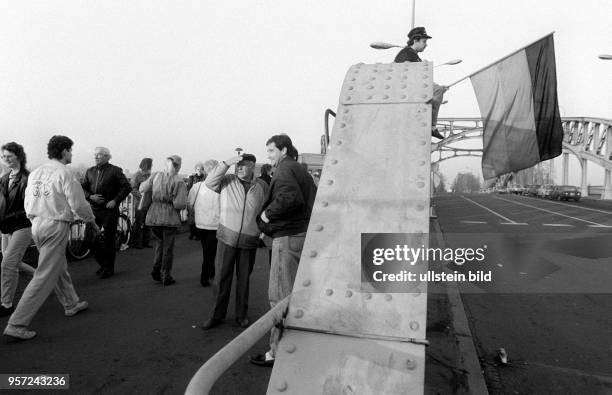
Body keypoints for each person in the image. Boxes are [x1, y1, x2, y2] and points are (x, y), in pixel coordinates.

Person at [3, 135, 99, 340]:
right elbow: (78, 204)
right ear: (64, 151)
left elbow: (28, 202)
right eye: (70, 150)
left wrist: (34, 218)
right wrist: (90, 220)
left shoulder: (37, 172)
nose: (72, 154)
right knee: (45, 273)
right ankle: (17, 323)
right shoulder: (65, 173)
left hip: (37, 224)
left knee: (57, 265)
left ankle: (71, 303)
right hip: (55, 224)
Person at [250, 134, 316, 367]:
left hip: (286, 237)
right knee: (294, 294)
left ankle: (277, 352)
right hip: (301, 233)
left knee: (279, 296)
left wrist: (266, 215)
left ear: (283, 150)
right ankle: (294, 346)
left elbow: (289, 198)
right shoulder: (299, 169)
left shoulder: (285, 169)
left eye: (271, 151)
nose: (268, 155)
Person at [201, 154, 268, 330]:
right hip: (226, 238)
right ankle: (216, 315)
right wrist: (226, 163)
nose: (238, 168)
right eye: (237, 165)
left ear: (253, 166)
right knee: (221, 278)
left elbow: (266, 209)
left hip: (249, 239)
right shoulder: (227, 181)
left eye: (242, 165)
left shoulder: (261, 186)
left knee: (244, 280)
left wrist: (261, 230)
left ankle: (241, 315)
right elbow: (209, 182)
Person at [81, 147, 131, 278]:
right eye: (95, 155)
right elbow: (83, 188)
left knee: (109, 241)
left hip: (109, 210)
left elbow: (126, 187)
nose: (96, 157)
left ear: (108, 157)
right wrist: (90, 197)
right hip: (94, 210)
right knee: (89, 239)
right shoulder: (90, 171)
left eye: (99, 155)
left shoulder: (115, 170)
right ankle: (104, 264)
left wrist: (115, 200)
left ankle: (109, 269)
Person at [139, 155, 187, 286]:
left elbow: (142, 188)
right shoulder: (179, 181)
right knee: (168, 248)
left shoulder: (156, 175)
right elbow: (180, 204)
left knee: (159, 244)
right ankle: (165, 275)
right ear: (178, 166)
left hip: (153, 215)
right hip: (169, 216)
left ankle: (156, 268)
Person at [0, 142, 36, 317]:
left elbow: (31, 205)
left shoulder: (28, 178)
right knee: (12, 261)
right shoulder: (4, 178)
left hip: (22, 225)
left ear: (19, 156)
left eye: (9, 156)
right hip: (7, 226)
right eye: (3, 156)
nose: (6, 159)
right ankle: (42, 279)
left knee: (7, 263)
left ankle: (6, 304)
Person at [394, 27, 448, 140]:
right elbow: (415, 77)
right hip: (407, 90)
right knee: (437, 91)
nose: (426, 45)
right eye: (424, 41)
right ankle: (432, 126)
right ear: (415, 41)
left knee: (438, 90)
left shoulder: (410, 54)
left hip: (407, 89)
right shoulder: (408, 54)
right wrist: (438, 88)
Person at [188, 159, 220, 287]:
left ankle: (209, 272)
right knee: (211, 252)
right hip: (215, 224)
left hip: (200, 223)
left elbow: (190, 204)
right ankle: (205, 275)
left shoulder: (197, 186)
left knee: (206, 250)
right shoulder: (220, 187)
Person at [130, 158, 153, 249]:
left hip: (149, 202)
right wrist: (140, 196)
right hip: (140, 203)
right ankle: (137, 243)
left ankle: (146, 242)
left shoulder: (150, 175)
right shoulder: (136, 175)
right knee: (139, 223)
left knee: (147, 222)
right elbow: (133, 188)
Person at [187, 162, 207, 240]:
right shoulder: (191, 178)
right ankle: (192, 233)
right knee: (191, 218)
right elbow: (188, 187)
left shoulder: (205, 178)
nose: (199, 170)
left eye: (201, 169)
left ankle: (198, 234)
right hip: (192, 198)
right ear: (195, 170)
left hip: (201, 200)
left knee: (199, 217)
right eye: (198, 169)